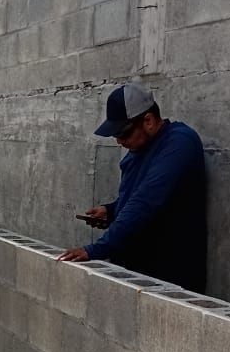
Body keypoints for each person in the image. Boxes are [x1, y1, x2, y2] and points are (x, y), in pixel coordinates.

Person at [58, 82, 207, 291]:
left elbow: (146, 201)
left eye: (124, 134)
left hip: (169, 278)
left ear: (148, 121)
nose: (120, 142)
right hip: (137, 272)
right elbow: (137, 193)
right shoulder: (142, 147)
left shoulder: (179, 143)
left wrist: (96, 250)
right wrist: (111, 210)